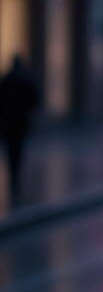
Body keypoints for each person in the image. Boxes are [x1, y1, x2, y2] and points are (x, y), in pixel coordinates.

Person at [0, 55, 41, 203]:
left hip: (7, 124)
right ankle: (15, 180)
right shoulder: (25, 80)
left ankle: (13, 178)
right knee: (18, 151)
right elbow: (35, 101)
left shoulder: (6, 79)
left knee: (11, 151)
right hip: (20, 123)